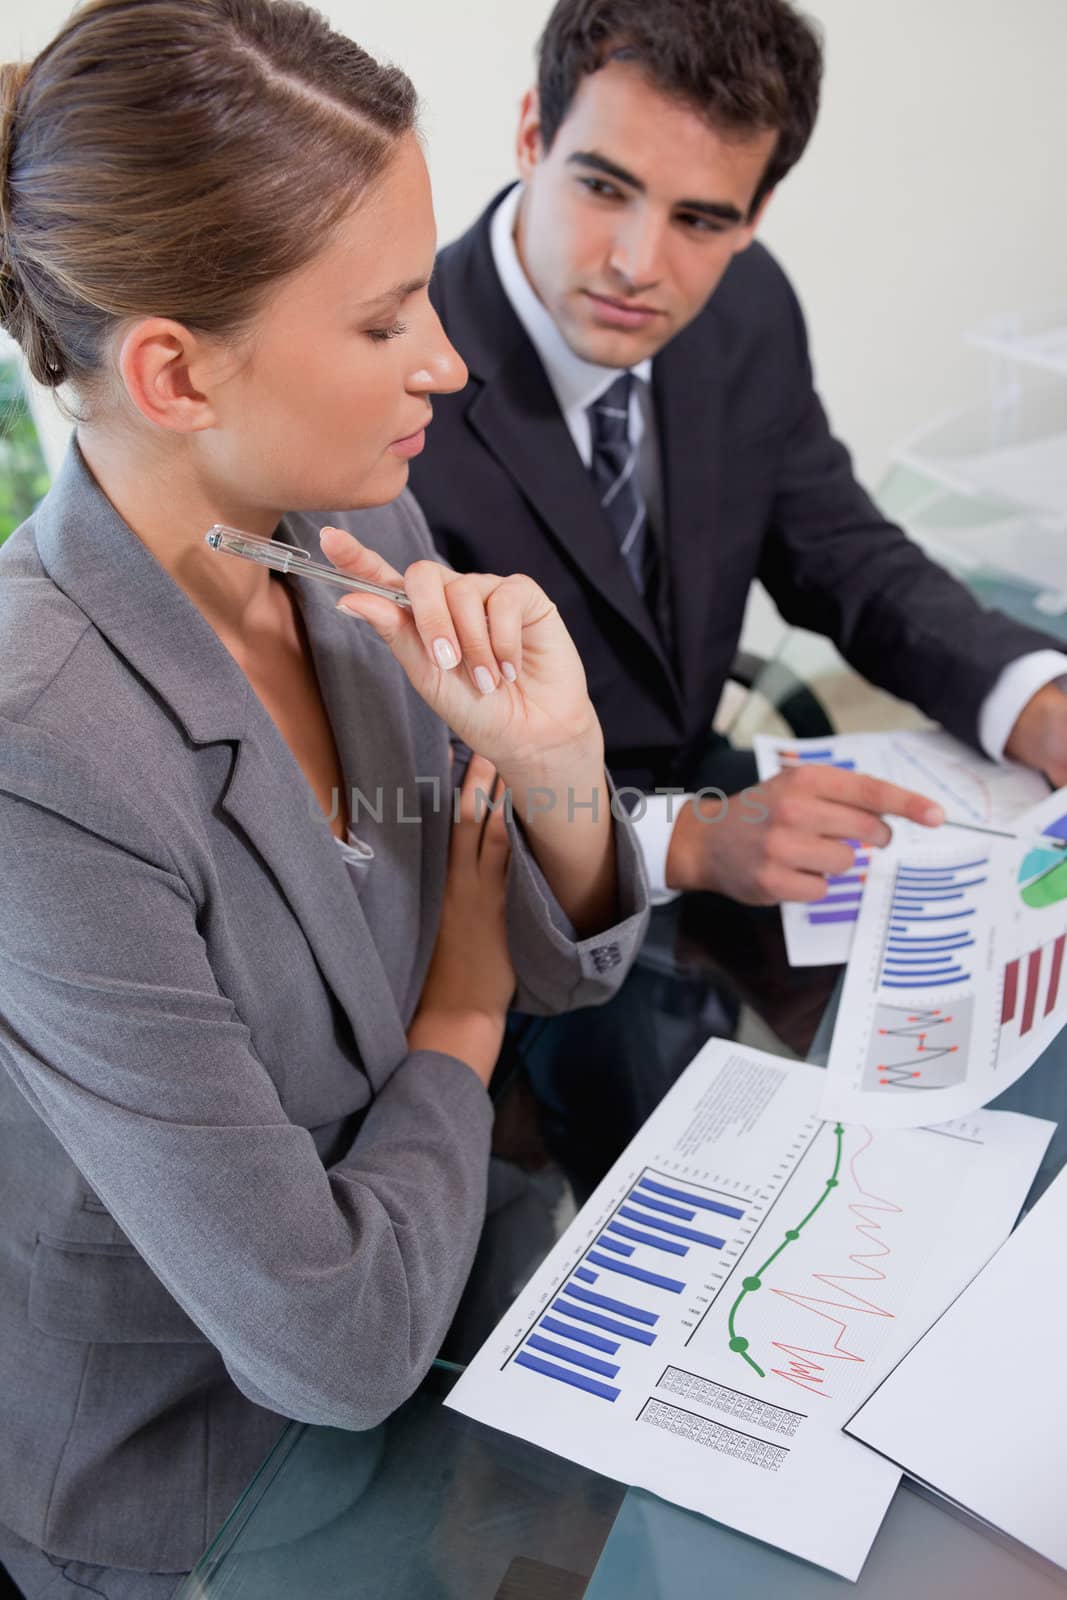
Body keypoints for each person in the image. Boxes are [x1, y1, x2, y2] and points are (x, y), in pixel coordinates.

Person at [0, 3, 649, 1595]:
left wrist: (556, 760)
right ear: (173, 370)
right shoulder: (41, 754)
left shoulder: (343, 531)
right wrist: (463, 1012)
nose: (442, 358)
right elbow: (329, 1346)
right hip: (202, 1481)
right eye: (380, 322)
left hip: (435, 1310)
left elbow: (561, 936)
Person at [410, 0, 1067, 914]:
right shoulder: (397, 372)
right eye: (604, 188)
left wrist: (1032, 698)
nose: (638, 265)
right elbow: (395, 769)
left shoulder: (745, 308)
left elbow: (840, 553)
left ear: (755, 213)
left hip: (708, 801)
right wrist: (680, 839)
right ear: (532, 134)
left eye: (700, 220)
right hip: (497, 899)